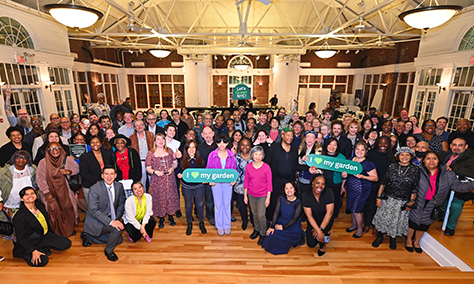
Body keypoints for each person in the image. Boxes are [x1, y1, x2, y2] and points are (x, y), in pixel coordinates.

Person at [407, 150, 474, 253]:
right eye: (428, 158)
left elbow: (458, 186)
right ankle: (408, 241)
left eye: (434, 158)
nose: (431, 161)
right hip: (418, 201)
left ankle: (416, 242)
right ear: (424, 160)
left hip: (433, 204)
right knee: (413, 222)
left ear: (439, 160)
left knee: (425, 224)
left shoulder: (447, 173)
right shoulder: (417, 171)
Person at [372, 147, 419, 250]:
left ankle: (393, 239)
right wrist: (378, 197)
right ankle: (380, 237)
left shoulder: (415, 169)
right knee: (383, 218)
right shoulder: (392, 166)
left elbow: (415, 187)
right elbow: (383, 182)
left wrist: (411, 201)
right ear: (398, 156)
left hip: (403, 200)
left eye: (407, 155)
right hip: (388, 197)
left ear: (411, 157)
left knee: (396, 220)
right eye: (402, 154)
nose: (404, 157)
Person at [12, 186, 71, 267]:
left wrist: (53, 236)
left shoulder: (41, 206)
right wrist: (33, 250)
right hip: (29, 242)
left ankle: (42, 247)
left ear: (36, 195)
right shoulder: (19, 217)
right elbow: (21, 238)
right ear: (22, 199)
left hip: (43, 236)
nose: (30, 196)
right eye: (26, 195)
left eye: (32, 193)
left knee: (66, 243)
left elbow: (47, 224)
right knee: (42, 261)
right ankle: (27, 253)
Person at [81, 166, 126, 261]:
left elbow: (122, 204)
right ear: (102, 176)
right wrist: (111, 222)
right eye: (106, 174)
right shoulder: (94, 189)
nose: (109, 176)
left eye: (111, 174)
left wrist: (116, 219)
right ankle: (109, 251)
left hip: (111, 216)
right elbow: (93, 211)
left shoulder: (119, 186)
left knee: (119, 240)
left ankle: (89, 237)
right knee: (117, 230)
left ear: (115, 176)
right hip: (96, 219)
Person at [36, 142, 79, 237]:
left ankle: (69, 229)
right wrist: (47, 193)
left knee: (68, 209)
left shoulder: (67, 159)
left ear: (61, 149)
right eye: (51, 149)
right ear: (47, 151)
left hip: (65, 191)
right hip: (50, 192)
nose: (54, 151)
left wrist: (69, 171)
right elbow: (39, 179)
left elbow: (77, 169)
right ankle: (56, 232)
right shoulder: (43, 162)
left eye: (57, 148)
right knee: (53, 211)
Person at [439, 137, 474, 236]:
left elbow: (471, 173)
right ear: (450, 146)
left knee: (455, 206)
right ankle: (443, 217)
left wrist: (452, 168)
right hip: (445, 187)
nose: (457, 147)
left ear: (466, 147)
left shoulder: (471, 159)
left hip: (462, 189)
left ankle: (450, 226)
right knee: (442, 202)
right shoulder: (445, 156)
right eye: (454, 145)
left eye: (460, 145)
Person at [146, 133, 179, 228]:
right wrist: (155, 172)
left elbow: (175, 163)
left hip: (169, 178)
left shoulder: (169, 151)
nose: (160, 141)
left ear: (165, 141)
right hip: (157, 180)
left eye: (162, 139)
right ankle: (161, 217)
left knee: (170, 196)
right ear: (155, 142)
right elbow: (148, 168)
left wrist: (172, 169)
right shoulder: (151, 153)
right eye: (158, 139)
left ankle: (170, 215)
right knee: (160, 197)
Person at [346, 141, 378, 238]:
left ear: (366, 151)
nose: (359, 151)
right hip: (350, 188)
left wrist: (363, 177)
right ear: (354, 150)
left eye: (362, 149)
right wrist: (344, 175)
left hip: (362, 189)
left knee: (356, 210)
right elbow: (345, 173)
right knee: (351, 207)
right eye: (358, 149)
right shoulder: (349, 160)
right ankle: (354, 225)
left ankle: (360, 229)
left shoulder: (369, 164)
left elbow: (375, 178)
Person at [266, 127, 298, 221]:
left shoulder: (294, 149)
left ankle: (284, 220)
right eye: (288, 135)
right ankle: (270, 221)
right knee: (274, 201)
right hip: (275, 180)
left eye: (292, 136)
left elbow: (296, 165)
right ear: (282, 135)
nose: (290, 138)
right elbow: (267, 163)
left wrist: (309, 168)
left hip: (289, 182)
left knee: (286, 202)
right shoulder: (274, 147)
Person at [206, 135, 237, 235]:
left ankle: (227, 225)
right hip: (216, 184)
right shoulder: (212, 154)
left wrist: (234, 180)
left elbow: (234, 169)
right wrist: (210, 180)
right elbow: (208, 169)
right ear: (217, 143)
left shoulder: (231, 155)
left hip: (228, 184)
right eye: (219, 142)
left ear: (227, 143)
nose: (222, 145)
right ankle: (219, 225)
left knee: (227, 205)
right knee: (218, 205)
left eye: (224, 142)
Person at [364, 136, 395, 234]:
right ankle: (367, 223)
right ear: (377, 143)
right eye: (380, 143)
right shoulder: (371, 153)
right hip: (371, 183)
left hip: (385, 185)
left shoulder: (392, 155)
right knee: (369, 204)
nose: (383, 145)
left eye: (385, 143)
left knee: (380, 205)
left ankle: (376, 225)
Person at [176, 140, 207, 235]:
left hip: (199, 187)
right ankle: (189, 223)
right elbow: (178, 172)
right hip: (187, 187)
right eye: (189, 147)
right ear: (186, 149)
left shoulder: (201, 159)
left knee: (200, 205)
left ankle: (201, 223)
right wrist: (179, 175)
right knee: (188, 206)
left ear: (196, 148)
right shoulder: (182, 160)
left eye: (193, 147)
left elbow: (206, 172)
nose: (191, 149)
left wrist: (206, 179)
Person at [263, 181, 302, 255]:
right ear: (284, 190)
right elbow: (276, 212)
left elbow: (295, 219)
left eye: (291, 188)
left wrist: (283, 227)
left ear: (295, 189)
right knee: (271, 233)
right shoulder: (281, 198)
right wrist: (272, 226)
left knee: (278, 236)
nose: (289, 190)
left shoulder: (298, 203)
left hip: (292, 225)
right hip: (281, 220)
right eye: (286, 188)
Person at [244, 146, 272, 245]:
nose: (258, 156)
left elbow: (269, 183)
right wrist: (245, 195)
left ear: (263, 155)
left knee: (261, 216)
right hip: (251, 194)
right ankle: (257, 229)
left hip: (263, 195)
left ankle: (263, 233)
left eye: (260, 154)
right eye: (256, 154)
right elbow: (246, 181)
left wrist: (268, 197)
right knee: (254, 214)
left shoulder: (266, 167)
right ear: (252, 155)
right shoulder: (248, 166)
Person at [0, 151, 36, 225]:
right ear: (14, 159)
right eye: (18, 157)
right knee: (12, 228)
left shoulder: (33, 170)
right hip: (10, 205)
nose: (21, 160)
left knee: (28, 228)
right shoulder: (4, 171)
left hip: (28, 205)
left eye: (24, 158)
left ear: (28, 160)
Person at [303, 175, 334, 256]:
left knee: (322, 236)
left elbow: (329, 213)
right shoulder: (306, 194)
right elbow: (309, 216)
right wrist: (317, 230)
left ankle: (323, 245)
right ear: (313, 183)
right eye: (317, 183)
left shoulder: (328, 192)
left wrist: (320, 230)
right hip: (313, 219)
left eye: (323, 184)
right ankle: (316, 232)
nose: (320, 186)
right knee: (311, 244)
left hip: (326, 219)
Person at [79, 136, 115, 205]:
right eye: (92, 142)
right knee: (94, 209)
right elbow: (83, 173)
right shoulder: (84, 157)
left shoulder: (107, 155)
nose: (95, 144)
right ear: (90, 144)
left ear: (101, 144)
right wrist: (97, 181)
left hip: (106, 185)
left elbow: (112, 168)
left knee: (106, 206)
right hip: (90, 186)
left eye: (97, 142)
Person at [321, 138, 346, 218]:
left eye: (334, 144)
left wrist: (343, 178)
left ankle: (333, 215)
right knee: (322, 200)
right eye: (330, 144)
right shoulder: (321, 155)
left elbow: (343, 174)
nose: (332, 147)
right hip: (322, 184)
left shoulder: (341, 157)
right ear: (326, 145)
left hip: (335, 183)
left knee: (335, 200)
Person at [198, 126, 217, 225]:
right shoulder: (199, 147)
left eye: (209, 133)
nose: (207, 135)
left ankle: (220, 214)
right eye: (205, 134)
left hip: (218, 176)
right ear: (202, 135)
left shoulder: (219, 145)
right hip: (205, 177)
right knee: (208, 199)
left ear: (213, 133)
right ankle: (210, 216)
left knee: (219, 198)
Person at [234, 137, 253, 230]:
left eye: (247, 145)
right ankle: (245, 221)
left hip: (253, 186)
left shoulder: (255, 156)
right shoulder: (235, 157)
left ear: (250, 146)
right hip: (240, 186)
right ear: (239, 146)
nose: (245, 147)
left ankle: (253, 220)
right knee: (242, 206)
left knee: (253, 206)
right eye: (242, 145)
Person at [130, 120, 154, 188]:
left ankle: (153, 197)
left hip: (150, 161)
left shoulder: (151, 134)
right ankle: (143, 196)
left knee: (152, 180)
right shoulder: (132, 137)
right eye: (137, 125)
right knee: (142, 182)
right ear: (134, 128)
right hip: (140, 162)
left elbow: (154, 147)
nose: (139, 127)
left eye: (140, 124)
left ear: (144, 126)